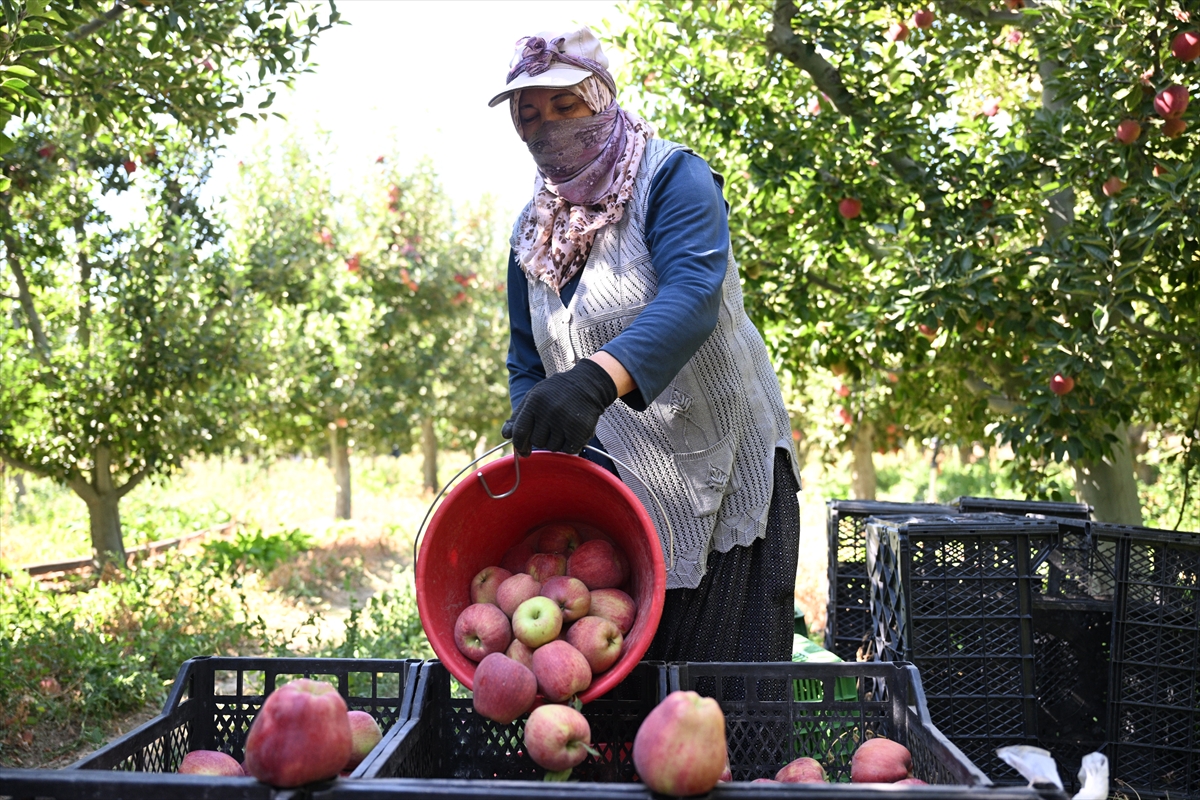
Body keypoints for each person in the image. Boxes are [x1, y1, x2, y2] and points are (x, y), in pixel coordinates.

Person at [490, 28, 801, 663]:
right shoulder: (533, 234)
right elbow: (528, 361)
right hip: (622, 489)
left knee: (719, 704)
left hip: (724, 466)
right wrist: (536, 419)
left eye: (564, 105)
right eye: (529, 117)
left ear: (601, 97)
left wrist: (592, 382)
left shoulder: (671, 177)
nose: (546, 127)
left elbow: (691, 295)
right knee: (617, 696)